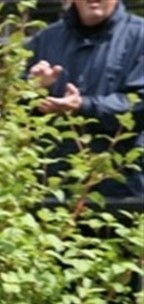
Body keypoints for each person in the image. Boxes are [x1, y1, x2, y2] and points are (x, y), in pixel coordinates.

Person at [28, 0, 144, 199]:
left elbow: (139, 103)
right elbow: (16, 113)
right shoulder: (46, 39)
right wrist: (34, 91)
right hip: (54, 189)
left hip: (123, 187)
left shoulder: (139, 36)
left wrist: (84, 106)